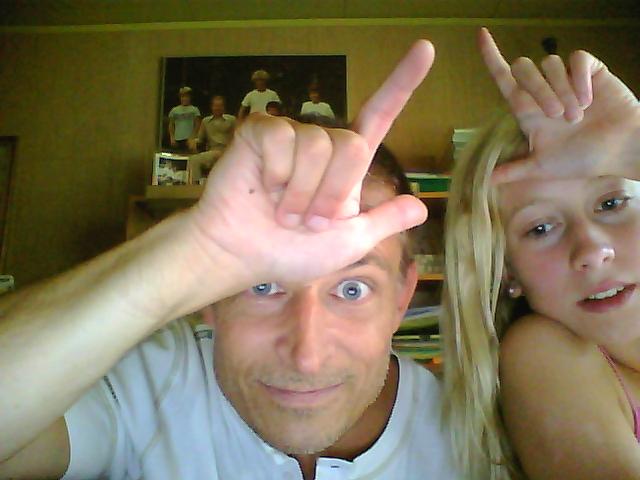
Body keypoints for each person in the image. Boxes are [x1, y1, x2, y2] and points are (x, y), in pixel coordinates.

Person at [0, 40, 457, 480]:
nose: (307, 357)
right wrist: (198, 247)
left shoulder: (469, 429)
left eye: (352, 289)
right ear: (212, 299)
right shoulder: (151, 385)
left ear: (402, 297)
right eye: (262, 285)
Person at [441, 28, 640, 480]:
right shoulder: (542, 352)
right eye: (541, 228)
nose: (592, 251)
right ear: (507, 270)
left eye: (612, 203)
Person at [189, 95, 236, 182]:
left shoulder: (231, 120)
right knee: (193, 160)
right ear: (212, 107)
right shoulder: (205, 121)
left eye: (220, 106)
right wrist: (193, 142)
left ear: (223, 107)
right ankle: (195, 185)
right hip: (212, 151)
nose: (217, 108)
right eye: (215, 106)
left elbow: (237, 137)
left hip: (226, 151)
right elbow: (200, 139)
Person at [168, 86, 201, 152]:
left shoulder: (194, 110)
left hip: (189, 140)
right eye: (183, 97)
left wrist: (192, 137)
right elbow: (171, 125)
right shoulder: (174, 110)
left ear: (190, 98)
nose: (185, 99)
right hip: (177, 139)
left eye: (187, 97)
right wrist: (172, 137)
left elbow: (197, 125)